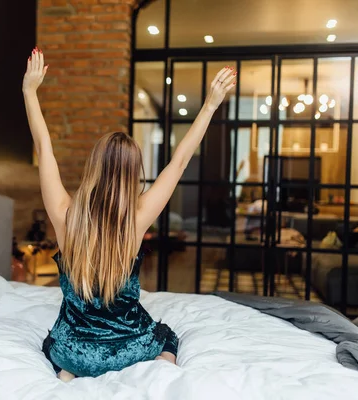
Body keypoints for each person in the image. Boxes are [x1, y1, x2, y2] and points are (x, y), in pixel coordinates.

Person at [22, 46, 236, 381]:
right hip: (132, 347)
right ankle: (160, 369)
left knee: (55, 343)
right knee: (167, 338)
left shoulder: (65, 213)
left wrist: (29, 91)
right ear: (132, 175)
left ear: (94, 166)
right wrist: (210, 104)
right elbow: (179, 161)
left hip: (77, 350)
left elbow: (44, 146)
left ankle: (69, 373)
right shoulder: (137, 217)